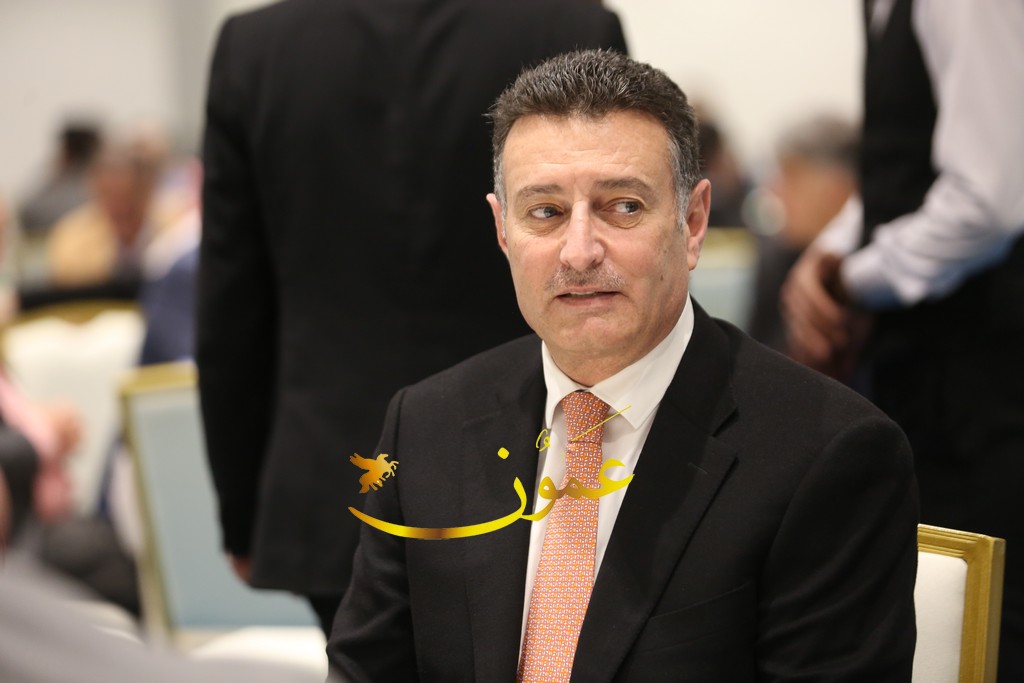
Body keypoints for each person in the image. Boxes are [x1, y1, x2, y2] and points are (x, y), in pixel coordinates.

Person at [327, 50, 918, 682]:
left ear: (693, 222)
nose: (579, 252)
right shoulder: (427, 426)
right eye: (546, 212)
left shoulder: (827, 455)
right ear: (503, 230)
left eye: (624, 206)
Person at [197, 0, 626, 635]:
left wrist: (241, 511)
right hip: (533, 463)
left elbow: (232, 307)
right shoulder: (569, 27)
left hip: (333, 478)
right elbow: (609, 280)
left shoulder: (257, 48)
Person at [781, 2, 1024, 677]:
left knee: (988, 625)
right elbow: (903, 174)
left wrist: (853, 280)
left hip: (984, 389)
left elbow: (989, 199)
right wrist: (826, 257)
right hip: (924, 378)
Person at [748, 115, 858, 352]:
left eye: (792, 175)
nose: (774, 190)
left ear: (841, 188)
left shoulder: (871, 275)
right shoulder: (776, 263)